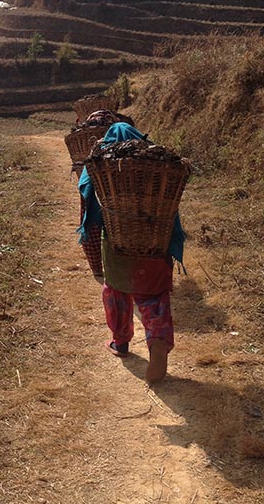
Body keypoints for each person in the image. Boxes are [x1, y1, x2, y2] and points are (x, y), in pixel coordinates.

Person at [77, 122, 185, 385]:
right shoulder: (158, 168)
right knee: (154, 298)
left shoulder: (103, 168)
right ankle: (157, 340)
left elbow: (87, 205)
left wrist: (92, 256)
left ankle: (121, 341)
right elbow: (173, 215)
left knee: (116, 293)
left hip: (117, 246)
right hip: (155, 247)